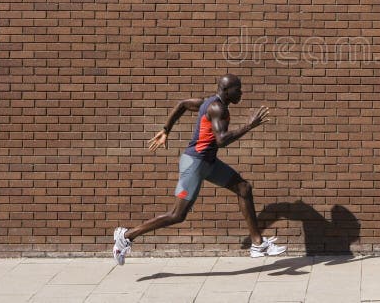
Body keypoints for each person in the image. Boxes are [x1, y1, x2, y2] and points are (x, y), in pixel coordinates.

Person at [111, 74, 286, 265]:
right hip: (195, 163)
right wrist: (249, 126)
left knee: (244, 188)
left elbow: (182, 105)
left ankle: (257, 244)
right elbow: (221, 140)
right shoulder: (217, 108)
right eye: (238, 89)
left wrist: (166, 130)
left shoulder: (207, 102)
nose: (241, 93)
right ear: (226, 90)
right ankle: (126, 236)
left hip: (208, 163)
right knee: (177, 215)